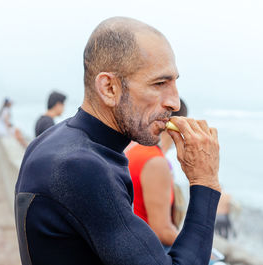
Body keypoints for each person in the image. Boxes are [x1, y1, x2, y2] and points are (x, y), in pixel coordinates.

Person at [15, 17, 221, 265]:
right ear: (109, 88)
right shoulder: (81, 168)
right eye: (159, 83)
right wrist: (204, 181)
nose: (174, 103)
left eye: (175, 82)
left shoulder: (53, 142)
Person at [126, 98, 188, 249]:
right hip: (144, 248)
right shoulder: (155, 162)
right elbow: (162, 232)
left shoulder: (133, 147)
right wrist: (198, 245)